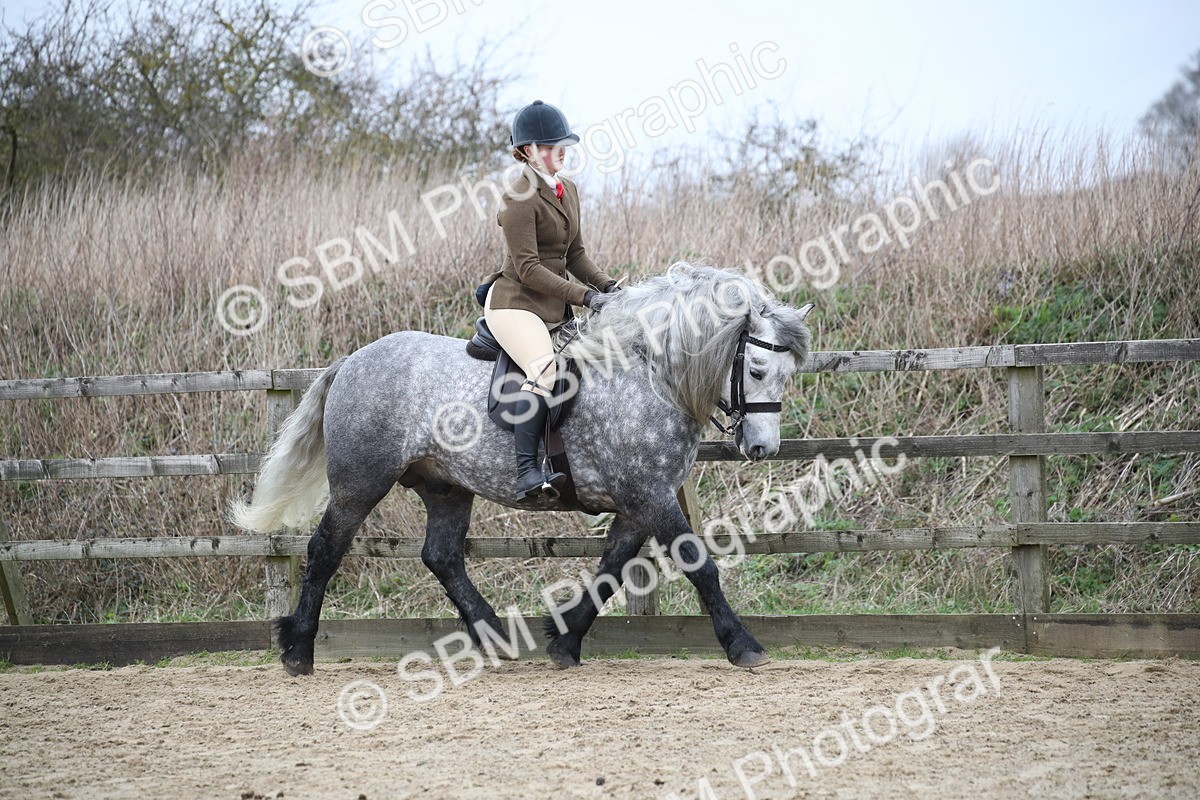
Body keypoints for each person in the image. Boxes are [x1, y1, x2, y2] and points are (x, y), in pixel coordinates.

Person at [478, 100, 621, 503]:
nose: (562, 151)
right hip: (515, 305)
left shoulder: (567, 190)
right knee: (543, 371)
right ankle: (525, 473)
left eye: (564, 144)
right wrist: (584, 296)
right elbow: (529, 270)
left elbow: (575, 254)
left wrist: (606, 286)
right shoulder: (518, 197)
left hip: (553, 306)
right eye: (552, 145)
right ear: (527, 151)